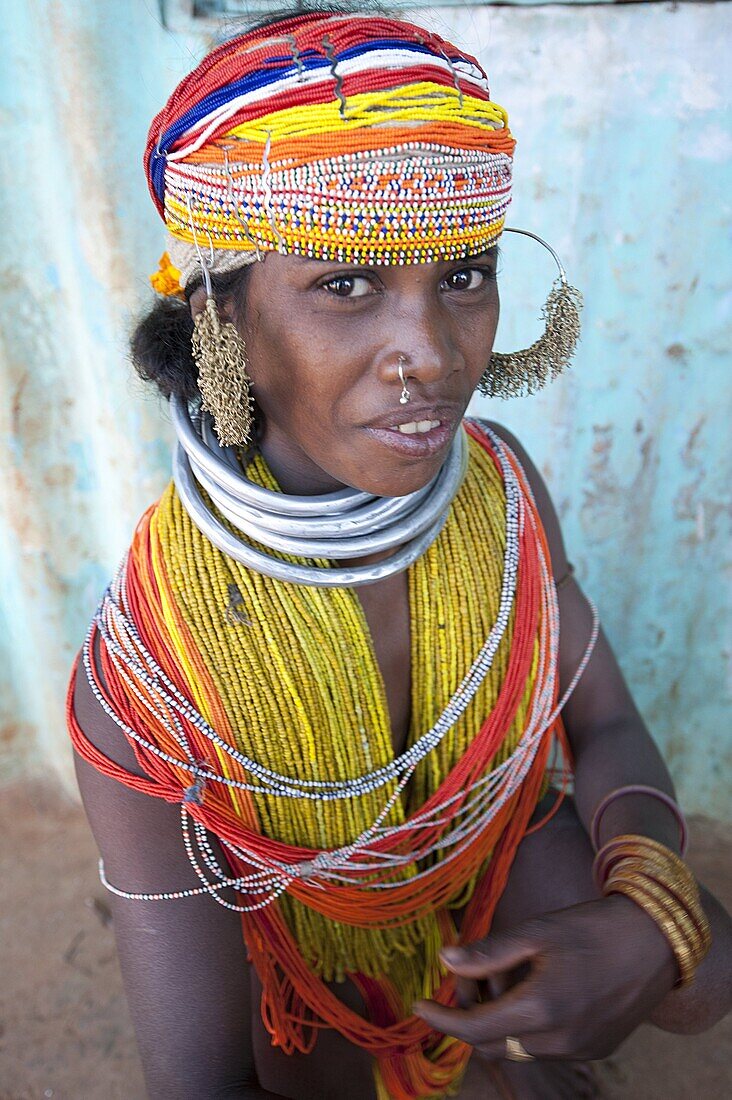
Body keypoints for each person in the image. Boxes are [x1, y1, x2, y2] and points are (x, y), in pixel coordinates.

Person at [67, 7, 731, 1099]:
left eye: (462, 274)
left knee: (703, 974)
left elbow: (600, 719)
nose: (429, 353)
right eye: (345, 284)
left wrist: (642, 913)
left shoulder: (501, 490)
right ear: (220, 317)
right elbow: (194, 1082)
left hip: (488, 840)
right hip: (302, 936)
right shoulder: (145, 667)